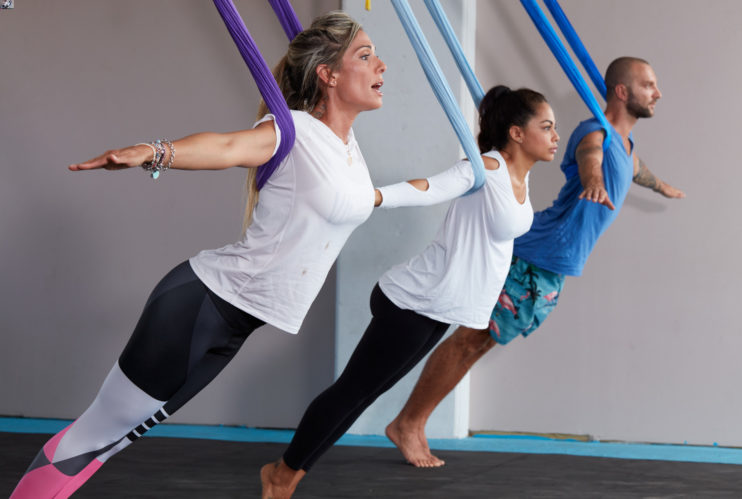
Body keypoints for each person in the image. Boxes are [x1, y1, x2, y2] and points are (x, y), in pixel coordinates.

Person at [10, 11, 388, 498]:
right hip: (202, 306)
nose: (381, 65)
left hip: (235, 323)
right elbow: (228, 146)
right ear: (328, 74)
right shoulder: (291, 131)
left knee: (114, 441)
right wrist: (153, 151)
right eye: (365, 55)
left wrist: (453, 183)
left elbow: (364, 200)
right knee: (96, 435)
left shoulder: (349, 148)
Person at [260, 85, 561, 498]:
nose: (555, 135)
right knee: (354, 392)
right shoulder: (485, 169)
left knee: (363, 391)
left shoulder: (517, 180)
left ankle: (287, 472)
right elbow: (430, 187)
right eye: (546, 126)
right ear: (516, 133)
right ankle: (281, 475)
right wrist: (374, 197)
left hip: (436, 307)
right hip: (412, 302)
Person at [386, 56, 686, 468]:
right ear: (622, 91)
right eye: (649, 85)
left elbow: (633, 167)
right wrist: (593, 179)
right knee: (470, 338)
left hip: (553, 263)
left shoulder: (626, 146)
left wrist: (663, 186)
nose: (658, 93)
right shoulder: (595, 132)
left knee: (481, 342)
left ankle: (411, 422)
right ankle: (408, 424)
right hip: (535, 252)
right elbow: (591, 155)